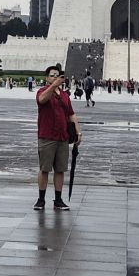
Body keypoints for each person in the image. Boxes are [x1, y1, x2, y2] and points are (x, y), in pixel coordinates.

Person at [34, 65, 81, 211]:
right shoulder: (42, 91)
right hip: (47, 136)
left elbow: (71, 114)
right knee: (44, 169)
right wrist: (53, 86)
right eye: (52, 75)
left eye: (57, 75)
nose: (55, 77)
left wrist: (78, 132)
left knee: (60, 169)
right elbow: (42, 100)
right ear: (47, 78)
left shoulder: (65, 95)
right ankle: (41, 199)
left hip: (62, 136)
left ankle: (58, 200)